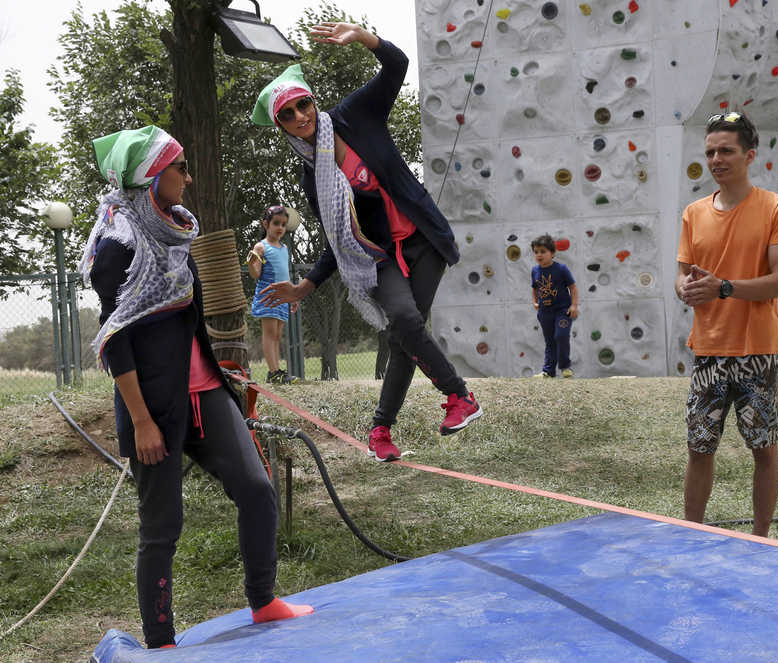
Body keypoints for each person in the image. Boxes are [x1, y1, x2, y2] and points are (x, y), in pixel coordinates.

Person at [78, 126, 312, 649]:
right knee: (162, 526)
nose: (187, 176)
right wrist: (140, 420)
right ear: (150, 176)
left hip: (206, 390)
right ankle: (161, 641)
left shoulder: (177, 231)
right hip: (154, 406)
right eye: (178, 168)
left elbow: (188, 320)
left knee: (256, 489)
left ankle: (263, 599)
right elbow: (116, 339)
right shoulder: (117, 245)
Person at [250, 21, 482, 462]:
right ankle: (457, 397)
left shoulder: (354, 115)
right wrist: (307, 286)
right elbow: (336, 240)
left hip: (423, 239)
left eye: (303, 105)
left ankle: (382, 430)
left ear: (313, 101)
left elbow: (397, 66)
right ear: (281, 125)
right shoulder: (310, 176)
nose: (300, 115)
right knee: (404, 322)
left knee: (403, 335)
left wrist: (363, 38)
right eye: (288, 114)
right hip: (378, 256)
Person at [675, 111, 778, 538]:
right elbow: (683, 273)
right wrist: (685, 288)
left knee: (762, 447)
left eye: (725, 150)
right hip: (708, 348)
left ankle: (761, 538)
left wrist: (723, 288)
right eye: (710, 151)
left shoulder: (777, 208)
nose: (716, 159)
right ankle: (693, 532)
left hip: (758, 352)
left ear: (749, 155)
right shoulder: (693, 213)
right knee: (699, 446)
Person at [248, 204, 299, 384]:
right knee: (269, 334)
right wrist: (252, 260)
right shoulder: (261, 246)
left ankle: (275, 372)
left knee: (277, 335)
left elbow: (285, 274)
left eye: (283, 224)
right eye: (276, 223)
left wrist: (292, 296)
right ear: (265, 224)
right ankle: (274, 371)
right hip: (268, 296)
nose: (280, 228)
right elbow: (255, 274)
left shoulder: (284, 249)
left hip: (282, 298)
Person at [530, 234, 579, 378]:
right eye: (536, 252)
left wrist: (574, 306)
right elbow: (534, 288)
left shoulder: (561, 269)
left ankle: (565, 367)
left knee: (561, 335)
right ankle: (548, 371)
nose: (539, 255)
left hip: (563, 311)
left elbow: (573, 287)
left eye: (543, 251)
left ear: (552, 253)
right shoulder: (535, 271)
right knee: (550, 341)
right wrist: (535, 301)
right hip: (545, 312)